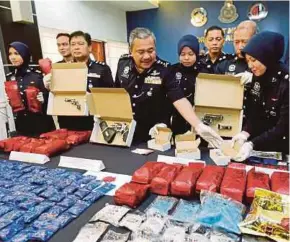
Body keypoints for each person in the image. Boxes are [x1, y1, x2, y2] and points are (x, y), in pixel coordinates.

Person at [115, 27, 222, 147]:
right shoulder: (122, 63)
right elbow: (116, 94)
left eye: (151, 51)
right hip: (125, 131)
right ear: (131, 51)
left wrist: (198, 125)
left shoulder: (165, 69)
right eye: (141, 52)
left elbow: (178, 98)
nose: (146, 56)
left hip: (153, 134)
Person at [232, 31, 289, 161]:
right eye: (247, 61)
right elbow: (255, 113)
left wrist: (252, 144)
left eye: (254, 60)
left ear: (267, 58)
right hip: (259, 146)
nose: (250, 66)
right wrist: (244, 133)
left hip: (281, 147)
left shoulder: (286, 82)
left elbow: (283, 127)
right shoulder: (257, 77)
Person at [57, 31, 114, 131]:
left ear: (90, 48)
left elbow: (110, 98)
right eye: (73, 44)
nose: (76, 47)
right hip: (68, 122)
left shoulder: (102, 69)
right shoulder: (62, 68)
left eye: (81, 44)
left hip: (93, 122)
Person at [5, 41, 55, 136]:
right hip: (22, 126)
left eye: (17, 53)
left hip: (42, 125)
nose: (13, 57)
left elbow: (53, 100)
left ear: (24, 54)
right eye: (10, 54)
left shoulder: (37, 75)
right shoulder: (10, 77)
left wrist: (44, 97)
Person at [216, 20, 258, 124]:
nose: (240, 46)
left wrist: (256, 78)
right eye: (236, 42)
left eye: (244, 42)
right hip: (230, 120)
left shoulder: (265, 65)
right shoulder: (224, 65)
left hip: (257, 122)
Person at [167, 34, 200, 135]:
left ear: (197, 54)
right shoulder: (171, 70)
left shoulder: (205, 71)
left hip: (198, 119)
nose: (186, 58)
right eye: (182, 54)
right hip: (176, 120)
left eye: (190, 54)